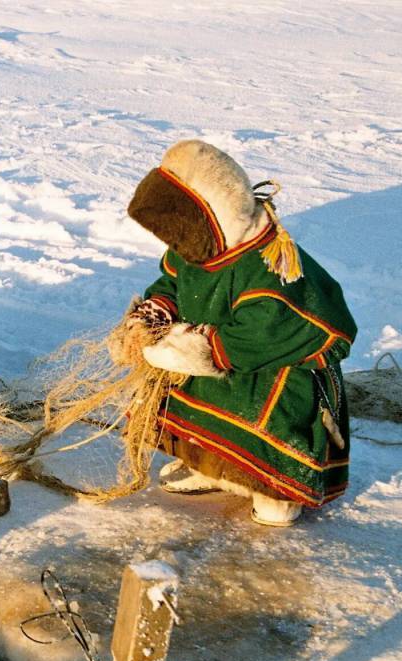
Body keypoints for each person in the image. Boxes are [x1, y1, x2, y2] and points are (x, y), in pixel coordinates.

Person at [110, 140, 356, 527]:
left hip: (277, 370)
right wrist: (155, 313)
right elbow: (173, 282)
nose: (175, 243)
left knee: (263, 400)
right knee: (186, 390)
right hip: (217, 350)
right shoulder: (199, 246)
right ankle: (213, 466)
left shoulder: (270, 268)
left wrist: (196, 350)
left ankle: (275, 489)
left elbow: (269, 330)